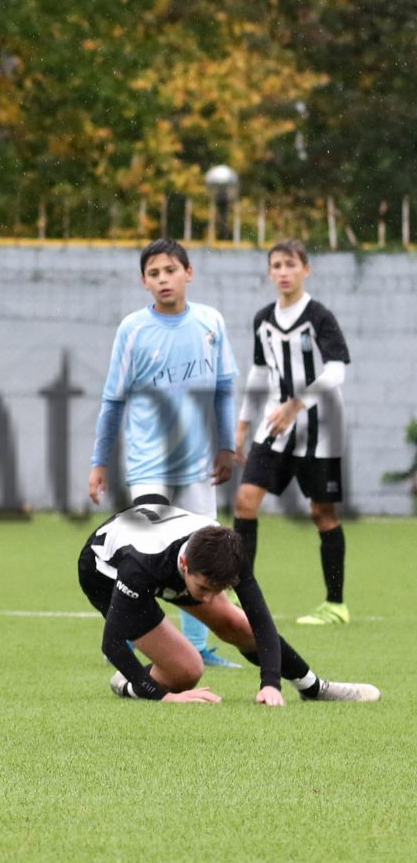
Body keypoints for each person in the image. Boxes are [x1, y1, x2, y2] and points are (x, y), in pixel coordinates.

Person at [87, 238, 240, 668]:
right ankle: (129, 637)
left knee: (203, 554)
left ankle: (199, 646)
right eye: (153, 273)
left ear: (188, 273)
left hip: (198, 464)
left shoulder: (210, 322)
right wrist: (99, 461)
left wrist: (226, 446)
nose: (163, 279)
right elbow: (113, 400)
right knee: (145, 553)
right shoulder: (133, 329)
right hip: (148, 464)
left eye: (170, 270)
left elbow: (224, 389)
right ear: (144, 282)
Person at [78, 498, 380, 704]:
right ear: (184, 565)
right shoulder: (141, 568)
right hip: (103, 572)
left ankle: (314, 688)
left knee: (238, 624)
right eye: (204, 588)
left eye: (219, 588)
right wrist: (166, 697)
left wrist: (270, 683)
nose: (210, 598)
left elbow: (261, 620)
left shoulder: (228, 551)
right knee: (187, 671)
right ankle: (128, 684)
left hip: (164, 554)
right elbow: (112, 643)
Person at [234, 239, 352, 626]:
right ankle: (241, 596)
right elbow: (259, 373)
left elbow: (337, 370)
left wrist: (297, 403)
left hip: (320, 426)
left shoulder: (319, 316)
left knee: (322, 512)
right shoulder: (263, 320)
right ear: (269, 273)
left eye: (290, 264)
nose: (283, 272)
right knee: (245, 501)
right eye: (277, 266)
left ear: (306, 269)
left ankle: (335, 604)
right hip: (274, 425)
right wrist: (243, 423)